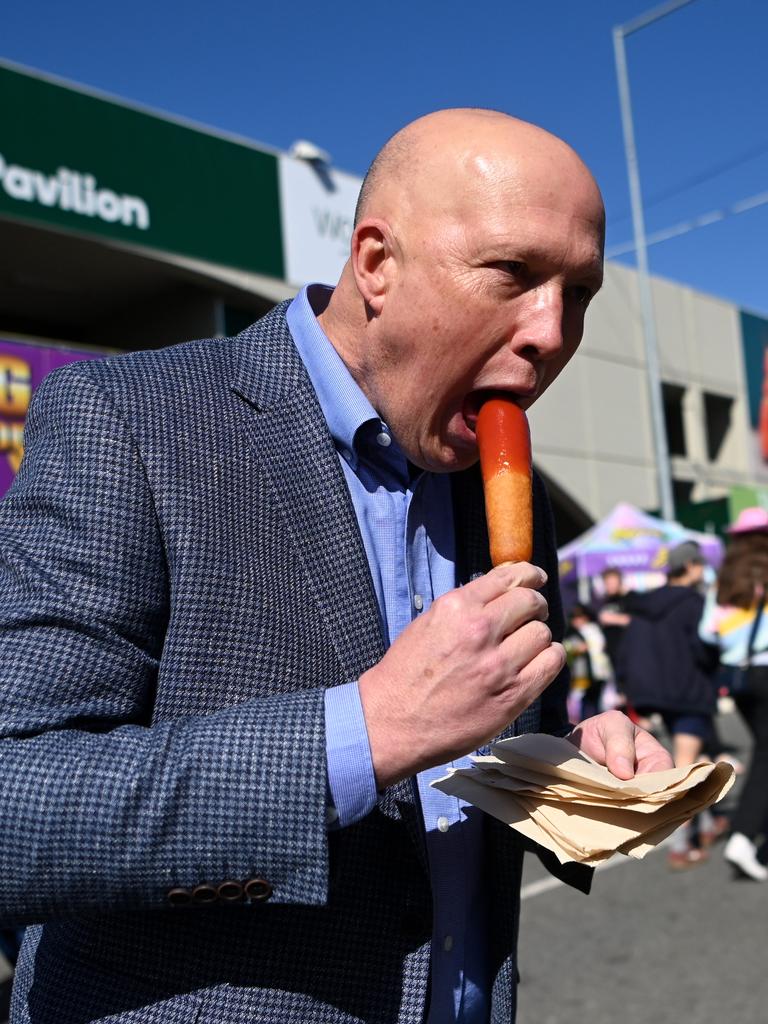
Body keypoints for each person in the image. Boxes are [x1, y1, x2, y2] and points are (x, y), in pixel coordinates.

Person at [0, 109, 672, 1024]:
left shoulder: (508, 495)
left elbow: (484, 766)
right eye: (512, 274)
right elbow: (18, 808)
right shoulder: (130, 422)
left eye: (580, 292)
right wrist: (364, 732)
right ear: (376, 262)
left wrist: (576, 782)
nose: (552, 331)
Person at [619, 540, 721, 869]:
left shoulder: (646, 603)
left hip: (653, 694)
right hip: (689, 691)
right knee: (686, 767)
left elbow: (627, 650)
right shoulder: (694, 603)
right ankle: (681, 844)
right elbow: (704, 649)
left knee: (699, 758)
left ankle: (707, 823)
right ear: (690, 566)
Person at [699, 506, 768, 882]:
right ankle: (743, 836)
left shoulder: (724, 579)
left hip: (739, 677)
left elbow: (708, 633)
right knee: (766, 754)